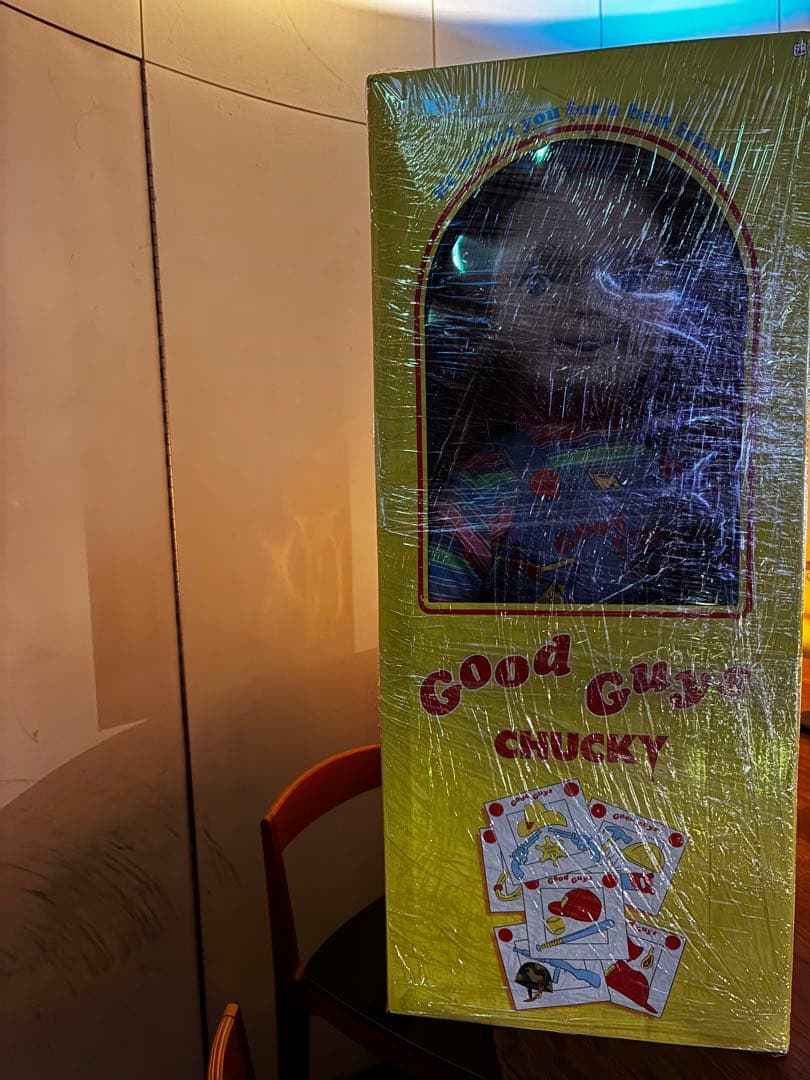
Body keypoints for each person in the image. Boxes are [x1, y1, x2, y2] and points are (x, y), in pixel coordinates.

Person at [425, 138, 745, 606]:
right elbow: (430, 625)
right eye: (540, 280)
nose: (591, 301)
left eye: (631, 278)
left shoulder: (690, 471)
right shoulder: (486, 488)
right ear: (491, 311)